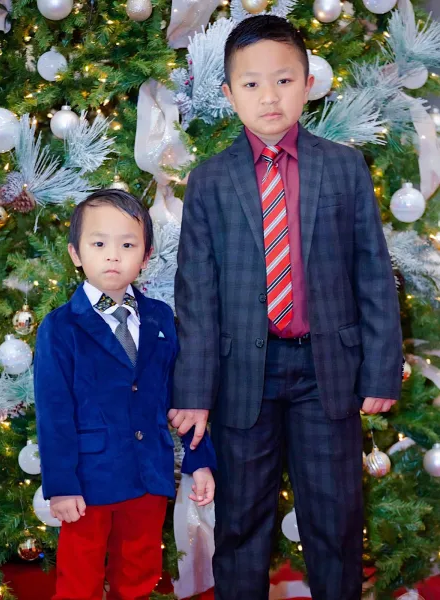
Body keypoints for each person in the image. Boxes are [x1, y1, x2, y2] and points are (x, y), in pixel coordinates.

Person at [169, 15, 402, 600]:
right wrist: (195, 392)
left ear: (307, 83)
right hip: (243, 375)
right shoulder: (209, 181)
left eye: (283, 80)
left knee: (335, 518)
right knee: (241, 521)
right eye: (251, 84)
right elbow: (196, 294)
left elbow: (373, 274)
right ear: (229, 94)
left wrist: (380, 370)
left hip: (328, 372)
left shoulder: (344, 168)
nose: (268, 97)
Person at [34, 190, 216, 600]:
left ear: (146, 256)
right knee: (79, 578)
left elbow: (182, 398)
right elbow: (54, 413)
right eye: (99, 244)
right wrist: (61, 485)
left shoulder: (160, 318)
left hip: (148, 475)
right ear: (76, 253)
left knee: (139, 573)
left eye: (128, 245)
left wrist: (199, 460)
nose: (113, 256)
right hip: (87, 481)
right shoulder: (59, 327)